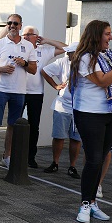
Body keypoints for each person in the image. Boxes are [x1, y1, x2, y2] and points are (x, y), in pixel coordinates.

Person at [70, 20, 112, 223]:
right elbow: (103, 80)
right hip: (90, 114)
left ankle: (92, 202)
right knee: (93, 159)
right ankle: (84, 204)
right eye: (107, 34)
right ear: (96, 35)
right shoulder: (84, 58)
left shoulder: (107, 55)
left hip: (111, 113)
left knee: (102, 157)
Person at [0, 14, 36, 169]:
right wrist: (1, 69)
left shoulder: (28, 46)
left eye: (15, 23)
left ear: (21, 25)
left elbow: (33, 69)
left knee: (12, 125)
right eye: (9, 23)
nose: (12, 26)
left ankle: (6, 156)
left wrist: (24, 63)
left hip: (19, 91)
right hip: (0, 89)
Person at [19, 26, 65, 168]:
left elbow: (65, 48)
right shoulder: (18, 48)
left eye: (29, 35)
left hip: (36, 94)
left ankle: (30, 157)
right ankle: (11, 154)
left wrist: (47, 41)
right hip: (19, 92)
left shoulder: (43, 51)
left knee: (34, 126)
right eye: (24, 34)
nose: (25, 37)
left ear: (36, 37)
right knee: (14, 125)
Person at [41, 42, 81, 177]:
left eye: (71, 52)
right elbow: (44, 71)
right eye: (68, 52)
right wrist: (55, 86)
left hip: (80, 107)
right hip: (63, 105)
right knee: (59, 136)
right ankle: (55, 163)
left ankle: (72, 166)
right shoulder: (62, 62)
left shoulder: (86, 63)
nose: (68, 54)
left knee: (76, 138)